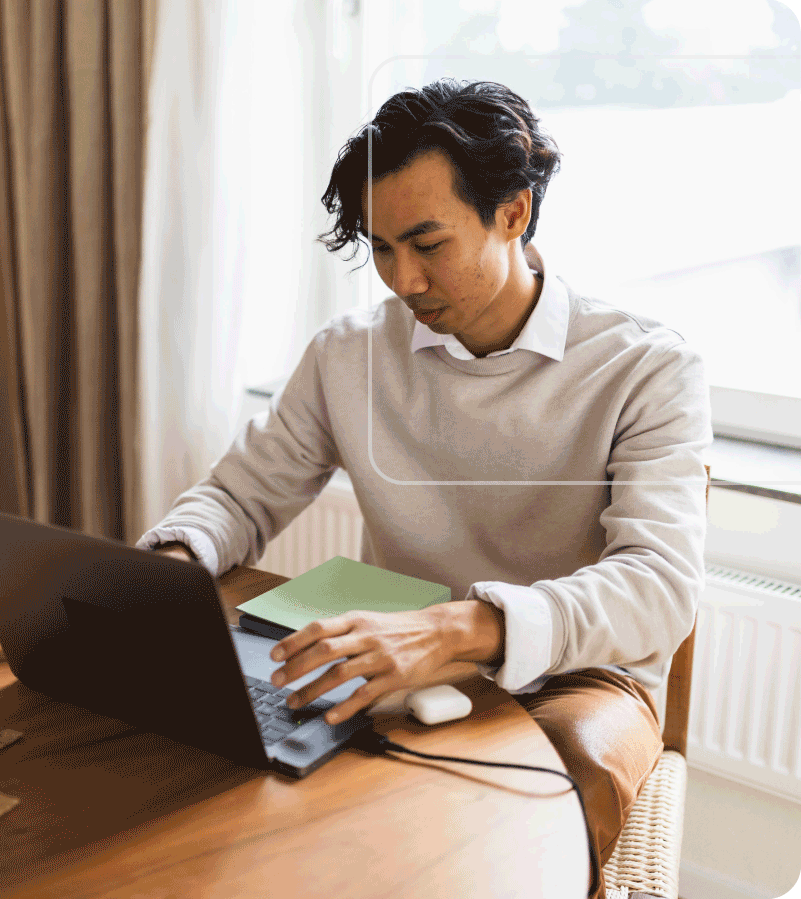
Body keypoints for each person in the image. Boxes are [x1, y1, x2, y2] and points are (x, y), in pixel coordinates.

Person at [138, 79, 710, 899]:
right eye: (379, 247)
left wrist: (456, 629)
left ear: (514, 212)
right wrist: (174, 553)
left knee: (512, 826)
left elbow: (658, 588)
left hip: (576, 677)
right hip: (385, 651)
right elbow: (238, 495)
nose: (401, 281)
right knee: (181, 772)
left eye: (427, 243)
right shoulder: (348, 354)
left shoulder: (647, 367)